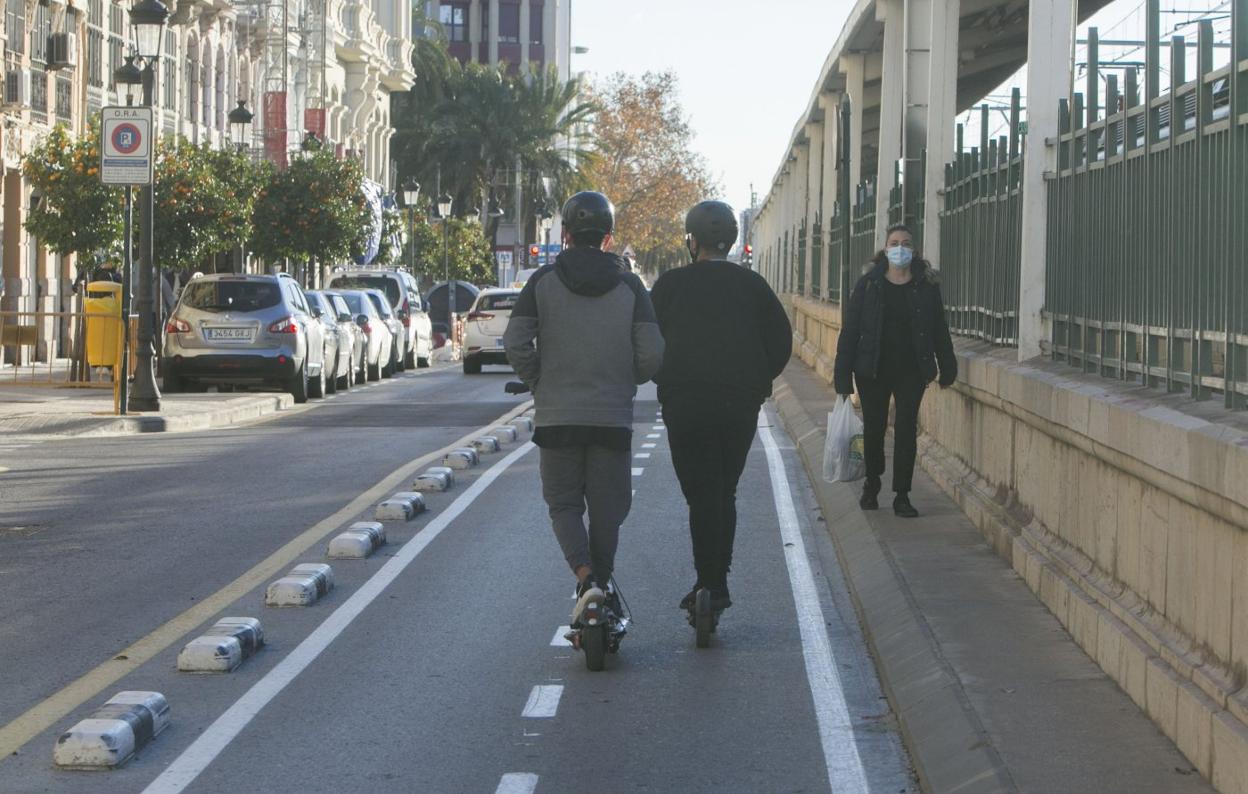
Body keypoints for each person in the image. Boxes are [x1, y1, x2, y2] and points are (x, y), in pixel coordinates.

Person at [504, 190, 664, 626]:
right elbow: (652, 353)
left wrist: (539, 380)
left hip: (557, 418)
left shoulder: (541, 282)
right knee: (610, 507)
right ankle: (602, 582)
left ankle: (585, 577)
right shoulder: (631, 286)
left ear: (566, 235)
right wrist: (625, 379)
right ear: (609, 238)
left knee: (564, 504)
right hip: (611, 417)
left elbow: (515, 341)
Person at [649, 200, 792, 611]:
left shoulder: (671, 286)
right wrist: (756, 382)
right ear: (730, 241)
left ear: (691, 241)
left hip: (686, 403)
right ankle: (717, 583)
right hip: (738, 404)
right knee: (724, 489)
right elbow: (781, 342)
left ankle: (706, 582)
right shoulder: (753, 286)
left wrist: (666, 379)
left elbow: (647, 342)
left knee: (700, 493)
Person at [833, 223, 957, 518]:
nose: (899, 248)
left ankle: (902, 494)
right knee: (874, 430)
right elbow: (850, 330)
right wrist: (842, 375)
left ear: (913, 250)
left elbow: (938, 328)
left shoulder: (925, 286)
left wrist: (947, 364)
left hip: (912, 370)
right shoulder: (869, 285)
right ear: (885, 249)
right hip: (871, 370)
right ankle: (872, 484)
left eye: (905, 242)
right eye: (894, 243)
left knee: (905, 431)